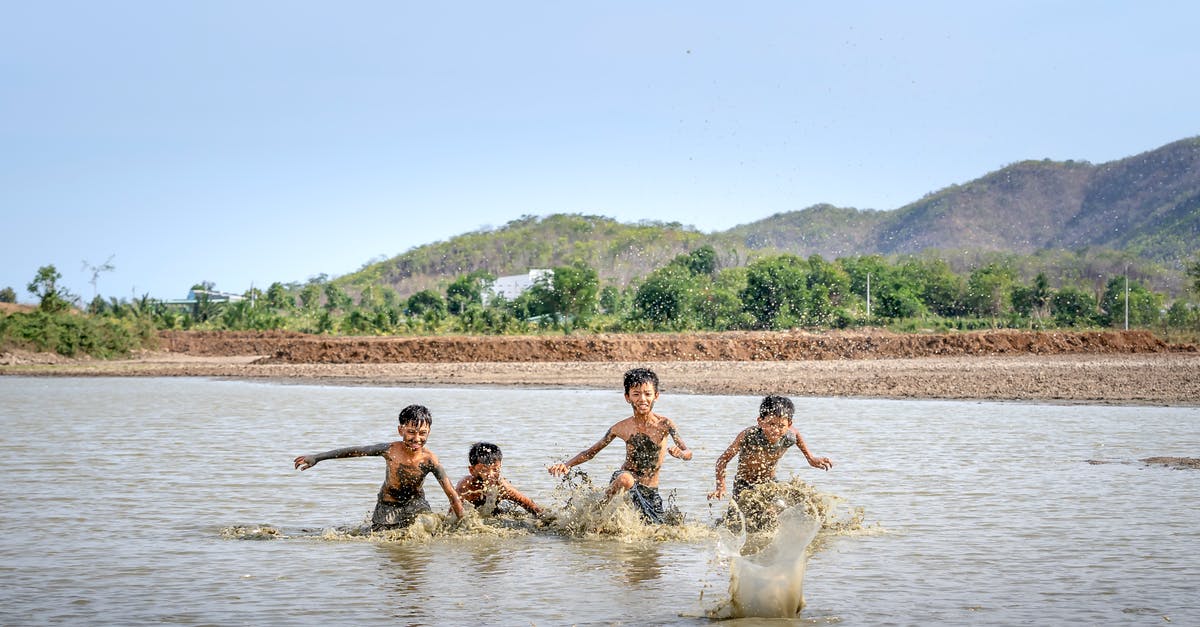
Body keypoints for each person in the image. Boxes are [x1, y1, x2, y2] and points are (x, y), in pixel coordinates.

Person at [548, 367, 692, 523]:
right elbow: (591, 452)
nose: (642, 399)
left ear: (656, 396)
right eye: (636, 394)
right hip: (625, 478)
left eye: (647, 394)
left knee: (657, 530)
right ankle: (596, 512)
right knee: (625, 479)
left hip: (650, 492)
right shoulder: (621, 427)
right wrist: (567, 465)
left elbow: (688, 452)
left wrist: (681, 454)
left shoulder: (665, 424)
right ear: (627, 397)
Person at [294, 404, 465, 530]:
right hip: (388, 504)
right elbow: (355, 451)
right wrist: (317, 457)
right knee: (381, 536)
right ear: (401, 430)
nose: (416, 438)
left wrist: (464, 522)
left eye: (422, 433)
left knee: (428, 527)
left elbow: (451, 494)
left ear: (429, 432)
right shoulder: (390, 450)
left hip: (416, 503)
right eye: (411, 432)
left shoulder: (430, 460)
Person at [707, 394, 833, 504]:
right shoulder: (748, 436)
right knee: (735, 523)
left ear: (788, 425)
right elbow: (722, 460)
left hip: (769, 482)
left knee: (785, 504)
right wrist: (721, 486)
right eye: (771, 424)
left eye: (781, 426)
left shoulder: (788, 436)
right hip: (744, 484)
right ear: (760, 422)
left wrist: (810, 458)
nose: (776, 430)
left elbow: (796, 434)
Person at [455, 442, 543, 517]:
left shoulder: (502, 487)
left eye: (495, 469)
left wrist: (545, 520)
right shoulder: (466, 488)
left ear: (500, 466)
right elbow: (453, 513)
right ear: (472, 470)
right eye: (484, 470)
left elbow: (529, 504)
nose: (491, 475)